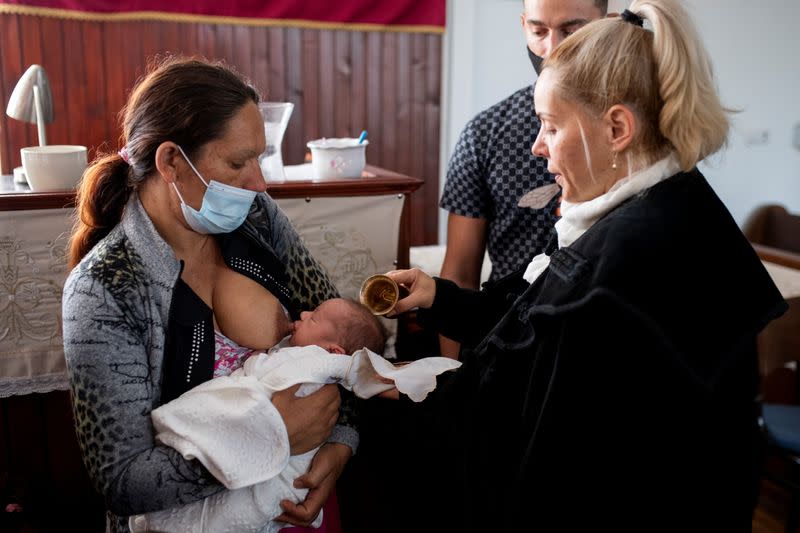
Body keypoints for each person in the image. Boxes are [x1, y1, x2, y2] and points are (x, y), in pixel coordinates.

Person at [384, 1, 788, 530]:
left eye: (551, 127)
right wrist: (442, 300)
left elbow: (534, 433)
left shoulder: (621, 266)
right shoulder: (670, 202)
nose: (538, 147)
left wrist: (409, 393)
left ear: (617, 128)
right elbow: (532, 324)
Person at [62, 57, 354, 533]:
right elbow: (121, 479)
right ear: (172, 162)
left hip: (292, 499)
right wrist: (269, 437)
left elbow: (341, 335)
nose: (259, 183)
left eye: (258, 158)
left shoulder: (257, 221)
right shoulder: (105, 289)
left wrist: (340, 443)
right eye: (238, 162)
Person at [130, 297, 460, 533]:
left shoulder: (327, 362)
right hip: (242, 435)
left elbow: (364, 372)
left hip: (288, 470)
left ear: (334, 351)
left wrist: (405, 381)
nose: (302, 311)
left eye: (313, 317)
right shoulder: (292, 350)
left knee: (242, 511)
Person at [437, 0, 608, 357]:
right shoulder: (484, 134)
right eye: (539, 31)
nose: (554, 49)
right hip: (503, 334)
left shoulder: (640, 132)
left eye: (571, 30)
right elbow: (460, 271)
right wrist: (451, 378)